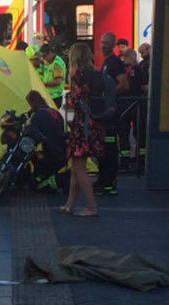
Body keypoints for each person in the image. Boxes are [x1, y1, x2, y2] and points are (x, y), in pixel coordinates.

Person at [60, 44, 114, 216]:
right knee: (77, 166)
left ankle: (91, 206)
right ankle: (69, 204)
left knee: (79, 167)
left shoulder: (78, 76)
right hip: (95, 124)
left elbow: (74, 101)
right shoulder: (96, 74)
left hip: (81, 125)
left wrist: (68, 106)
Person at [97, 32, 131, 196]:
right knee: (103, 147)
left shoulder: (115, 62)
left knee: (109, 148)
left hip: (111, 112)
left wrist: (107, 96)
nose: (103, 45)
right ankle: (104, 180)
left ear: (113, 45)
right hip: (105, 112)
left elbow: (123, 85)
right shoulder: (106, 62)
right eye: (102, 42)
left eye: (107, 43)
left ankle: (108, 183)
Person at [25, 90, 67, 190]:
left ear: (33, 102)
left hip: (49, 156)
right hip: (62, 153)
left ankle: (40, 181)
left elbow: (31, 134)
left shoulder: (37, 116)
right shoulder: (56, 113)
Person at [38, 43, 68, 107]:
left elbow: (58, 81)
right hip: (50, 96)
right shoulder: (50, 62)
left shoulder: (57, 63)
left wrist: (43, 84)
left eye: (44, 56)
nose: (43, 58)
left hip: (54, 97)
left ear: (50, 53)